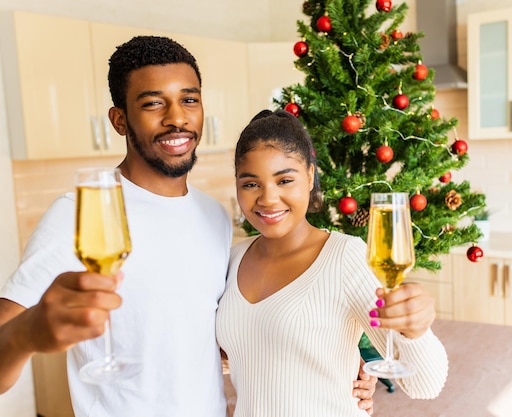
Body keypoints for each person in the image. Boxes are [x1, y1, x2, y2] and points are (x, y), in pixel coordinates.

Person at [0, 36, 375, 416]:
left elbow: (205, 336)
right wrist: (27, 333)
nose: (177, 117)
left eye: (189, 100)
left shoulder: (212, 217)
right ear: (119, 120)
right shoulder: (79, 214)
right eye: (153, 103)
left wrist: (337, 364)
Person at [216, 109, 449, 417]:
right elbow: (250, 352)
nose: (268, 198)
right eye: (250, 184)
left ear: (310, 176)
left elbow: (425, 385)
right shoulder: (233, 257)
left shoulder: (344, 257)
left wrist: (416, 332)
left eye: (285, 180)